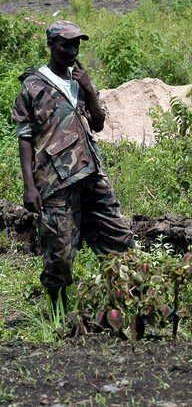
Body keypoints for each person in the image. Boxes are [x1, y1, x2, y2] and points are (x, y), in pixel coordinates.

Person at [12, 20, 135, 313]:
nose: (71, 50)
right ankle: (57, 313)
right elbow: (25, 138)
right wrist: (29, 186)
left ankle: (124, 305)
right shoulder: (33, 87)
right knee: (60, 252)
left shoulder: (79, 81)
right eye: (65, 44)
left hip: (91, 174)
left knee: (118, 238)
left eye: (76, 44)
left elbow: (99, 124)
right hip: (54, 181)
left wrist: (90, 89)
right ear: (51, 46)